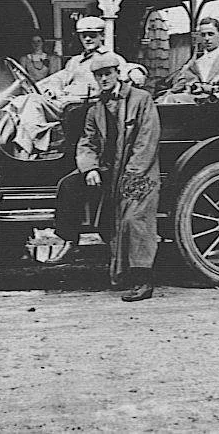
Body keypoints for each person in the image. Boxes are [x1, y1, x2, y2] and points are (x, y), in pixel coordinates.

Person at [47, 53, 161, 302]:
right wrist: (90, 169)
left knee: (133, 218)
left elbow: (146, 142)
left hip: (139, 173)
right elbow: (87, 143)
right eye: (99, 75)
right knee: (70, 185)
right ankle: (69, 241)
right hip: (110, 171)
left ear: (117, 73)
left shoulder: (141, 100)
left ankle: (143, 280)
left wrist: (130, 176)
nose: (104, 79)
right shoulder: (96, 109)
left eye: (108, 73)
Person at [10, 16, 126, 158]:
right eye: (84, 36)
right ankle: (23, 149)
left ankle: (31, 148)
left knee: (29, 103)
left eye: (92, 35)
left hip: (81, 107)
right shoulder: (75, 61)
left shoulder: (109, 57)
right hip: (63, 104)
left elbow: (126, 69)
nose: (88, 39)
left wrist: (137, 70)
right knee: (19, 102)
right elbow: (59, 78)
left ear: (102, 36)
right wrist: (51, 89)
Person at [157, 17, 219, 104]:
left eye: (211, 34)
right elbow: (184, 85)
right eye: (203, 35)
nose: (207, 38)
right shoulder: (195, 63)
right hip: (195, 102)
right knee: (171, 99)